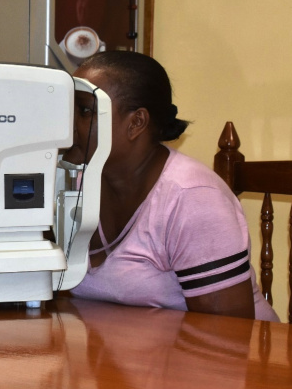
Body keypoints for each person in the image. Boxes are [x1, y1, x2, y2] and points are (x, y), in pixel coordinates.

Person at [62, 51, 279, 321]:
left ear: (136, 123)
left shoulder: (192, 197)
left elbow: (227, 336)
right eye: (67, 109)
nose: (67, 124)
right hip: (124, 356)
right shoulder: (71, 184)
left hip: (229, 358)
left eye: (85, 111)